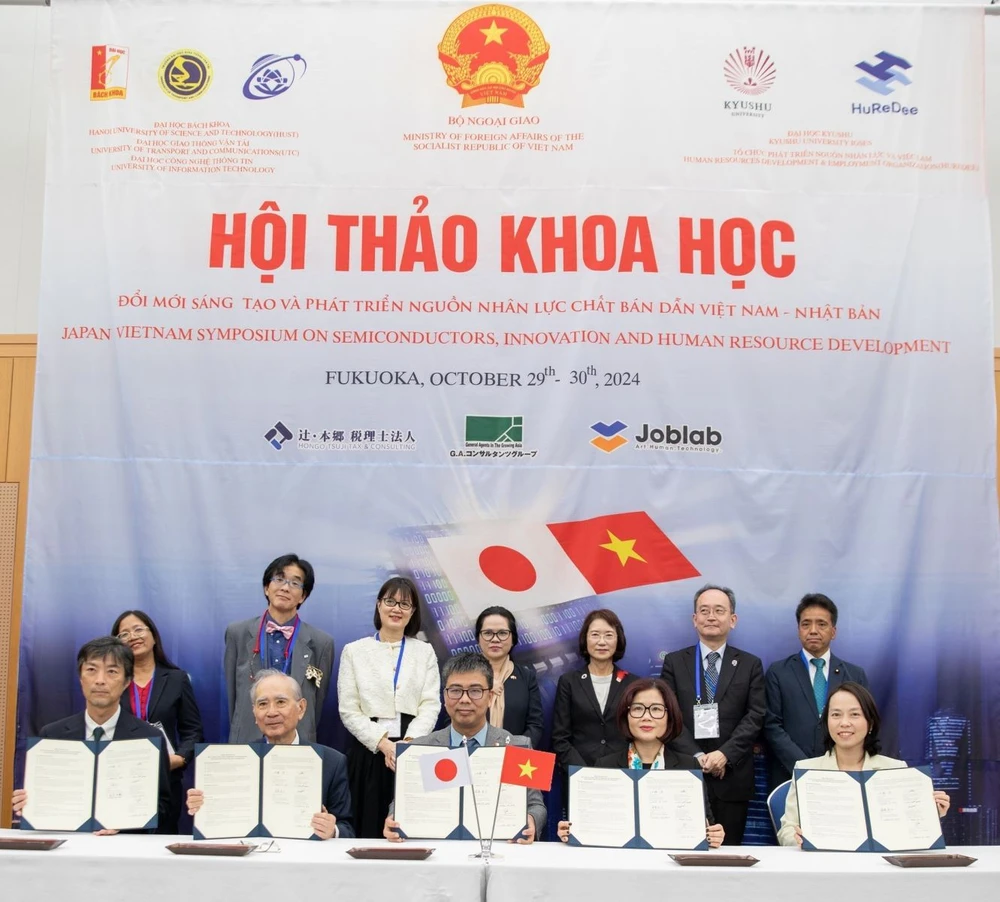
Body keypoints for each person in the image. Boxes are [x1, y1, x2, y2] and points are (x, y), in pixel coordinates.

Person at [12, 636, 171, 833]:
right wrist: (29, 802)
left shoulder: (149, 738)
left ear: (127, 682)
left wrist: (124, 825)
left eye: (112, 671)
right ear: (80, 678)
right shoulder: (52, 735)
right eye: (91, 670)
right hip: (65, 847)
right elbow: (45, 794)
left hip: (124, 848)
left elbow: (163, 805)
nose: (100, 680)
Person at [383, 652, 547, 843]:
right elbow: (401, 804)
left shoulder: (520, 746)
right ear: (444, 696)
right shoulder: (419, 748)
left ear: (490, 696)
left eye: (475, 691)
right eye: (455, 690)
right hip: (437, 855)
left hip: (499, 850)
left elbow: (537, 805)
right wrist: (393, 820)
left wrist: (531, 821)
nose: (465, 699)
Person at [555, 678, 724, 848]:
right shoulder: (604, 765)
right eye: (637, 709)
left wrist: (713, 834)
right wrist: (573, 830)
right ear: (625, 716)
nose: (646, 717)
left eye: (656, 709)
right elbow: (592, 826)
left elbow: (705, 824)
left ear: (670, 716)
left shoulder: (689, 766)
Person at [778, 682, 950, 847]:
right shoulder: (806, 770)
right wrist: (797, 839)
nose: (844, 723)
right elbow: (786, 830)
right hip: (825, 866)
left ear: (870, 723)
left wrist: (931, 814)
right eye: (836, 714)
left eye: (854, 714)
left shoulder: (895, 769)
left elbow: (909, 829)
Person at [187, 671, 354, 839]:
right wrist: (203, 807)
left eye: (281, 702)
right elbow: (218, 821)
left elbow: (347, 829)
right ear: (254, 712)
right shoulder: (234, 761)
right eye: (262, 704)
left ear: (301, 708)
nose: (271, 712)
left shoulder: (332, 762)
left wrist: (332, 830)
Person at [660, 584, 765, 844]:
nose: (711, 616)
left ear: (733, 620)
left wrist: (724, 755)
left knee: (727, 858)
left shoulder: (750, 664)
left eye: (719, 610)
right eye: (704, 611)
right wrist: (697, 756)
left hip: (732, 776)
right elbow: (668, 716)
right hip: (685, 772)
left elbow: (756, 715)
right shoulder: (675, 662)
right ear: (694, 619)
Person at [338, 576, 441, 837]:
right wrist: (383, 744)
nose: (396, 609)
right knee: (367, 824)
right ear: (378, 605)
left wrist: (408, 744)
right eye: (390, 601)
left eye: (405, 604)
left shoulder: (425, 652)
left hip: (413, 749)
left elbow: (431, 704)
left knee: (409, 828)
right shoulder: (354, 651)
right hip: (368, 749)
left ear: (413, 612)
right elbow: (349, 709)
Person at [225, 553, 334, 743]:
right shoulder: (238, 633)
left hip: (297, 742)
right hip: (247, 740)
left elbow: (316, 703)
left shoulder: (321, 643)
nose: (285, 587)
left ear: (303, 596)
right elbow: (233, 694)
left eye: (295, 583)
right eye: (279, 579)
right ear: (267, 588)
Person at [112, 609, 204, 834]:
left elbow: (193, 730)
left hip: (165, 777)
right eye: (123, 634)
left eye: (138, 629)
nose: (132, 636)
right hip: (120, 777)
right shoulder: (113, 680)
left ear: (153, 636)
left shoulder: (176, 679)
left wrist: (179, 758)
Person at [764, 593, 869, 788]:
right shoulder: (778, 672)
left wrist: (835, 766)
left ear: (833, 631)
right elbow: (771, 727)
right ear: (798, 630)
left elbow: (863, 723)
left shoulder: (854, 674)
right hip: (790, 776)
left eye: (821, 624)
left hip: (844, 776)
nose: (813, 630)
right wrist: (805, 768)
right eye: (806, 624)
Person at [552, 609, 638, 772]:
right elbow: (560, 738)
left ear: (618, 640)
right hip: (578, 773)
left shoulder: (633, 683)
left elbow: (639, 734)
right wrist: (583, 772)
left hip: (622, 772)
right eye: (595, 634)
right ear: (585, 639)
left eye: (608, 635)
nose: (602, 642)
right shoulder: (569, 682)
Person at [476, 605, 543, 749]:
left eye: (502, 633)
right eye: (488, 633)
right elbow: (452, 721)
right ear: (478, 638)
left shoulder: (526, 676)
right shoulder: (464, 674)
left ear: (513, 639)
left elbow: (535, 725)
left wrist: (518, 751)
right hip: (471, 756)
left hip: (515, 759)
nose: (495, 639)